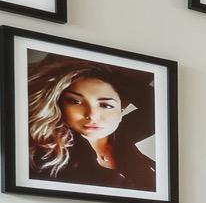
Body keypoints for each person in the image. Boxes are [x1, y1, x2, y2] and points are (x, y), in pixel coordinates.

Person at [24, 57, 154, 193]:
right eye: (75, 102)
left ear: (121, 111)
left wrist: (109, 76)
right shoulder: (43, 152)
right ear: (59, 105)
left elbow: (163, 107)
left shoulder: (122, 135)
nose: (91, 115)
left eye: (106, 105)